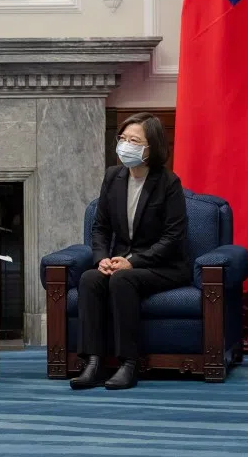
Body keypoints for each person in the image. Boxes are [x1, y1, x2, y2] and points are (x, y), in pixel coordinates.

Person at [70, 113, 189, 391]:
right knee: (89, 278)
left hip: (163, 266)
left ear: (151, 148)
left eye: (134, 141)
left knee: (123, 279)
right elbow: (100, 227)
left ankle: (128, 364)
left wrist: (131, 262)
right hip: (121, 261)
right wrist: (102, 260)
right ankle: (93, 362)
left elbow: (173, 238)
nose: (125, 146)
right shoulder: (113, 177)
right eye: (122, 139)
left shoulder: (168, 183)